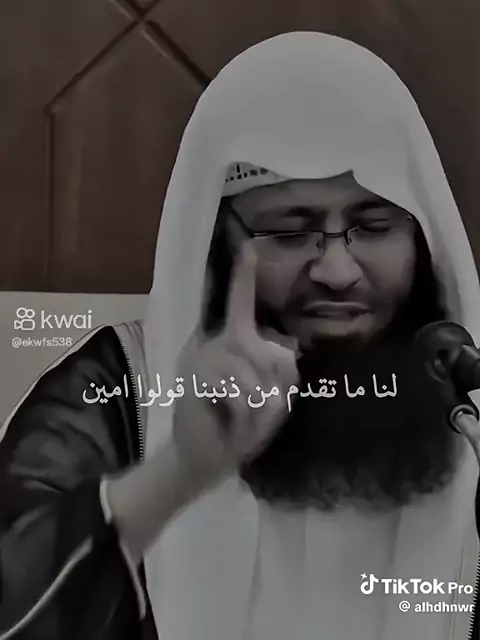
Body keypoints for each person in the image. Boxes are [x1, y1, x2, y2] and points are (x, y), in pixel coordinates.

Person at [1, 32, 480, 640]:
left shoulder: (468, 393)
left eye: (374, 226)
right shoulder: (120, 389)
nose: (337, 271)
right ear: (218, 241)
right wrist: (176, 473)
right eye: (289, 233)